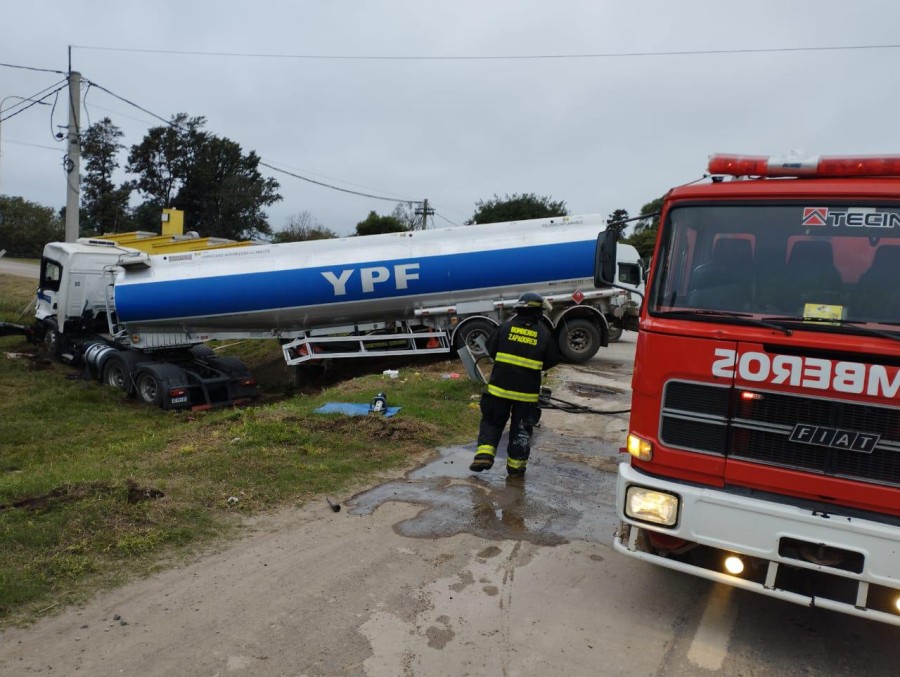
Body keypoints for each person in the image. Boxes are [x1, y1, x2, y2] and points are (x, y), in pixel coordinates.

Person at [469, 291, 560, 476]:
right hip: (526, 395)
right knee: (522, 430)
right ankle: (516, 469)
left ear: (518, 309)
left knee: (492, 421)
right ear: (539, 312)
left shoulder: (505, 328)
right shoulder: (543, 334)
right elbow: (551, 360)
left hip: (499, 389)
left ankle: (484, 455)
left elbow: (491, 349)